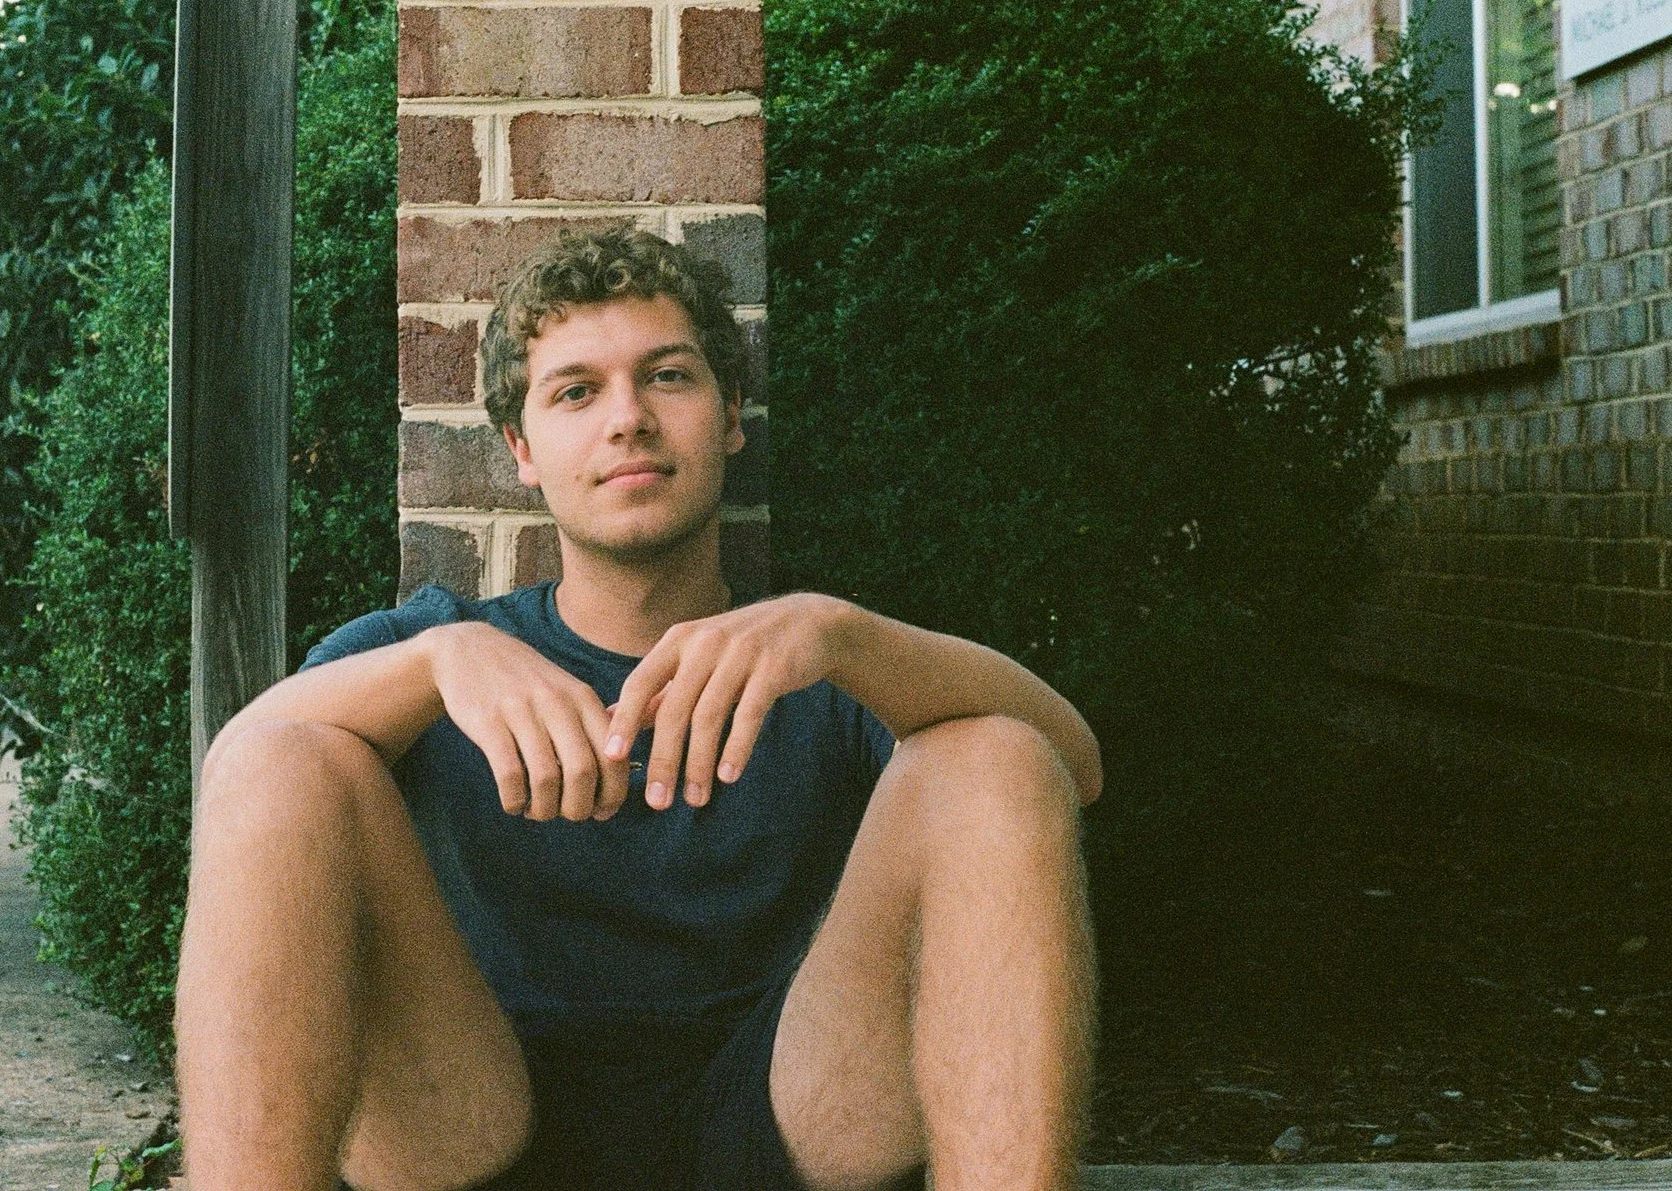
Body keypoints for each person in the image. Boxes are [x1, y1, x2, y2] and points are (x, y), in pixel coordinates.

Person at [176, 226, 1102, 1191]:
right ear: (521, 450)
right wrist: (436, 659)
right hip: (475, 1122)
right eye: (577, 390)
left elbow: (1070, 764)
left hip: (784, 1123)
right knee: (283, 761)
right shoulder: (439, 650)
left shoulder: (814, 658)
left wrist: (842, 633)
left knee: (994, 755)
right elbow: (241, 767)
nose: (628, 418)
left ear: (732, 414)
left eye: (668, 376)